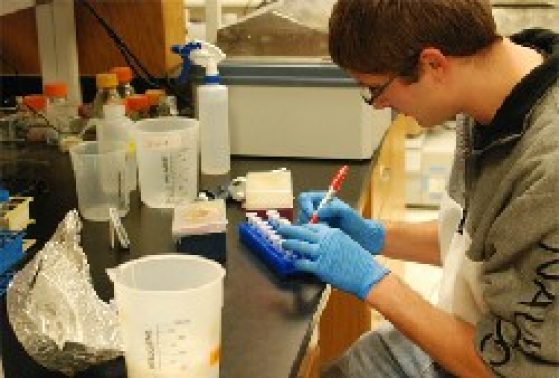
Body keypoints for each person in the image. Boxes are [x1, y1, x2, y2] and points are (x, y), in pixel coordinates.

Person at [276, 1, 559, 377]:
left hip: (499, 364)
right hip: (478, 330)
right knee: (357, 360)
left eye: (376, 89)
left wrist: (376, 284)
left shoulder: (547, 169)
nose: (378, 107)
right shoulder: (492, 93)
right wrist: (375, 236)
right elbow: (482, 242)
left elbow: (515, 369)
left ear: (433, 64)